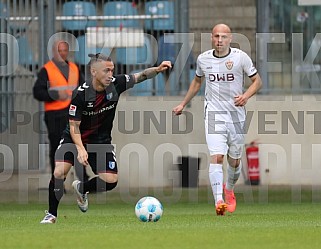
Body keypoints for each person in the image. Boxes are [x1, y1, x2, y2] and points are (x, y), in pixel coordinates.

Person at [40, 53, 172, 223]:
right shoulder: (80, 95)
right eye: (106, 71)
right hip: (74, 138)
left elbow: (141, 76)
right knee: (59, 171)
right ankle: (51, 214)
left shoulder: (116, 84)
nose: (110, 74)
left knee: (111, 181)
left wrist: (158, 70)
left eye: (112, 70)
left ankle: (82, 188)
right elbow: (74, 126)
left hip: (100, 141)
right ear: (93, 72)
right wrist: (80, 148)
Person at [172, 24, 262, 215]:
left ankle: (229, 189)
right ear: (211, 38)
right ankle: (219, 201)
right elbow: (197, 81)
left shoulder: (240, 57)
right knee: (217, 157)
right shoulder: (203, 59)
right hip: (213, 114)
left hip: (236, 115)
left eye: (223, 36)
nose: (219, 40)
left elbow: (257, 81)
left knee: (234, 161)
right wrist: (183, 103)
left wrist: (245, 96)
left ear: (230, 38)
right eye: (216, 36)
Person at [33, 40, 84, 175]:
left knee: (78, 144)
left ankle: (83, 179)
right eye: (59, 51)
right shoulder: (46, 70)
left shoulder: (74, 68)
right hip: (54, 115)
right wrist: (55, 94)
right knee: (57, 147)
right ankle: (57, 180)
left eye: (64, 50)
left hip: (72, 113)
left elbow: (84, 88)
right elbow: (37, 92)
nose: (62, 53)